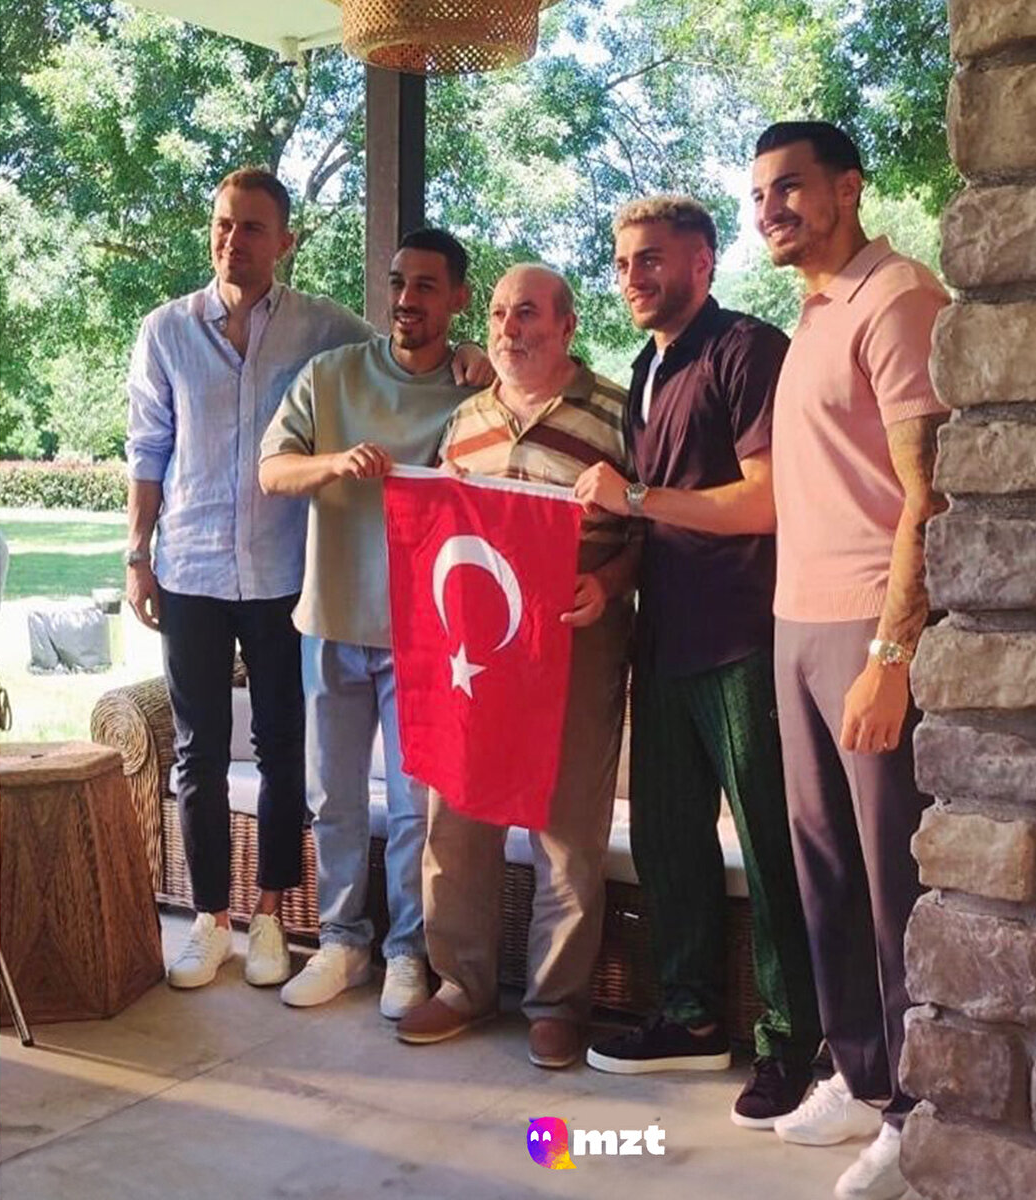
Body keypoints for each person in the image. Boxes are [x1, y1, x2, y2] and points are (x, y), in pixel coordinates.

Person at [574, 197, 822, 1128]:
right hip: (663, 637)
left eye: (651, 259)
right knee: (668, 840)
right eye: (622, 263)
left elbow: (764, 501)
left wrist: (635, 496)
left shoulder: (747, 350)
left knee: (770, 847)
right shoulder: (645, 369)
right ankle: (690, 1019)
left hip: (743, 640)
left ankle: (794, 1044)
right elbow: (648, 515)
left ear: (703, 262)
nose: (633, 277)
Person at [751, 120, 949, 1200]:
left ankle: (917, 1112)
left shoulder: (898, 297)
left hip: (866, 626)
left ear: (849, 188)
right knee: (824, 869)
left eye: (790, 187)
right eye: (758, 195)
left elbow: (928, 493)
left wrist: (891, 653)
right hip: (796, 623)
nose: (771, 209)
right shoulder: (816, 313)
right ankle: (862, 1073)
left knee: (889, 879)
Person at [125, 168, 374, 991]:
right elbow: (148, 451)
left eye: (253, 228)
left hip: (284, 574)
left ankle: (270, 914)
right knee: (196, 752)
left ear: (286, 242)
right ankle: (210, 920)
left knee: (282, 748)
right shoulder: (165, 331)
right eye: (224, 224)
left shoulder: (324, 328)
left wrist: (469, 357)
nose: (234, 241)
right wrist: (137, 554)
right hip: (190, 570)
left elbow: (396, 361)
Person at [396, 264, 637, 1070]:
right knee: (457, 811)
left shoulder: (618, 415)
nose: (509, 328)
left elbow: (653, 531)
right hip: (477, 651)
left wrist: (609, 583)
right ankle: (461, 983)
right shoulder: (463, 420)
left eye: (528, 313)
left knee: (567, 827)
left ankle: (557, 1003)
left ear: (567, 325)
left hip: (577, 638)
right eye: (499, 313)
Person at [258, 228, 490, 1018]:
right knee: (335, 798)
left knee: (417, 809)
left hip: (427, 640)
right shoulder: (331, 376)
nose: (405, 299)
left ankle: (407, 953)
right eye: (397, 283)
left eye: (426, 285)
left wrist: (485, 365)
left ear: (458, 298)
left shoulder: (473, 394)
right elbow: (272, 470)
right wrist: (333, 462)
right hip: (330, 618)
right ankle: (342, 942)